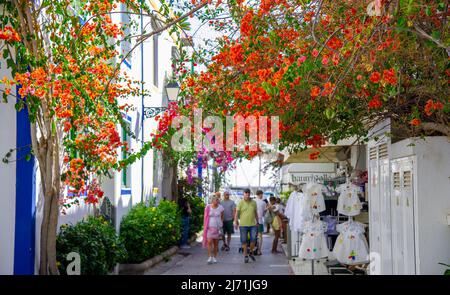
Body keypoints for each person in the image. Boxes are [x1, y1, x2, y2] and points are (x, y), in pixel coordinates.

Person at [234, 188, 259, 263]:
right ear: (243, 194)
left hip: (253, 224)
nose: (247, 195)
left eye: (248, 194)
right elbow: (236, 213)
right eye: (246, 194)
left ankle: (251, 252)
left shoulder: (254, 202)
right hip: (243, 225)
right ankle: (245, 255)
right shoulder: (240, 202)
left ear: (250, 194)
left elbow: (255, 213)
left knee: (254, 239)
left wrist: (257, 222)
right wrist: (235, 222)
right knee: (244, 241)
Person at [202, 195, 224, 264]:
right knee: (209, 241)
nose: (216, 201)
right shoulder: (208, 207)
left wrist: (221, 222)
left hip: (217, 228)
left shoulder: (220, 207)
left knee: (216, 243)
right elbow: (205, 217)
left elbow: (222, 215)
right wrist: (205, 226)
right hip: (209, 227)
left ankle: (214, 257)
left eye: (217, 200)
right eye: (215, 200)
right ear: (212, 201)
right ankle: (209, 257)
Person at [254, 190, 267, 255]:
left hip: (252, 221)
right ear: (260, 194)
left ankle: (252, 249)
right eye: (262, 194)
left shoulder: (253, 201)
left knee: (253, 235)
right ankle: (259, 250)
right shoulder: (263, 203)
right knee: (260, 236)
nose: (262, 196)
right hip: (259, 221)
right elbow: (264, 213)